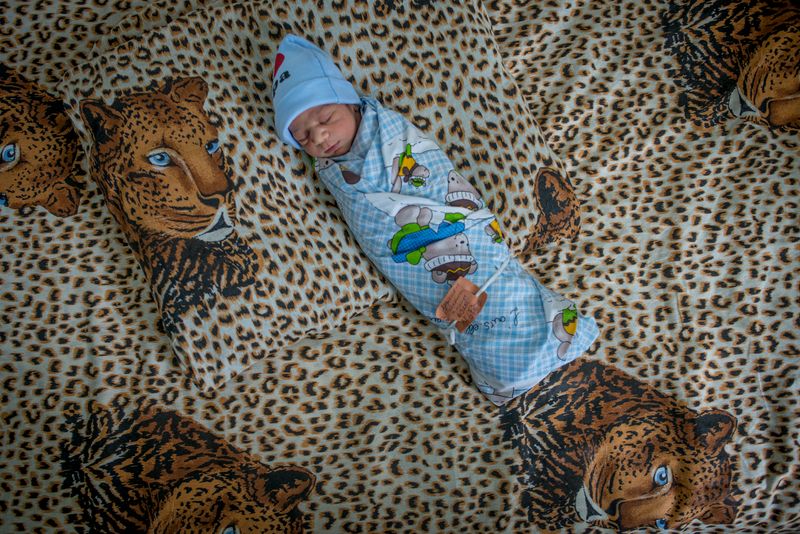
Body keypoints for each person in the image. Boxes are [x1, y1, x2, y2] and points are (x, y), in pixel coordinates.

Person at [271, 34, 599, 405]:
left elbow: (432, 178)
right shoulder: (331, 173)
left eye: (326, 118)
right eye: (302, 137)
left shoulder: (387, 133)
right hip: (421, 272)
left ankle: (543, 337)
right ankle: (507, 366)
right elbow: (373, 224)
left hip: (463, 233)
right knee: (462, 310)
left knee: (494, 286)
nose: (319, 136)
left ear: (351, 105)